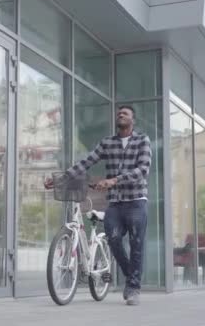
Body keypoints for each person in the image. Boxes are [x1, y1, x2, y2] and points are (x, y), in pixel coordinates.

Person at [44, 105, 152, 306]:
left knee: (137, 245)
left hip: (136, 201)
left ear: (132, 121)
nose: (121, 114)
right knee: (113, 239)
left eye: (125, 113)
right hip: (116, 203)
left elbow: (143, 170)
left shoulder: (142, 140)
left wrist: (114, 180)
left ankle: (133, 288)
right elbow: (86, 161)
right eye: (119, 113)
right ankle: (132, 277)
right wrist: (61, 178)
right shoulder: (107, 143)